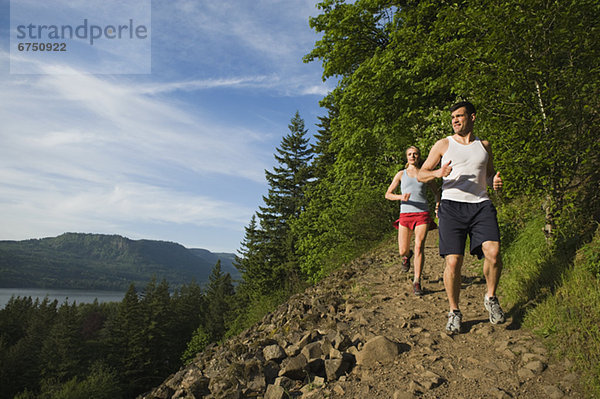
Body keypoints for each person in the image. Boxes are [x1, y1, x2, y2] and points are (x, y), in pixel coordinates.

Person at [418, 100, 505, 335]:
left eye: (460, 116)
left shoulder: (484, 146)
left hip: (480, 206)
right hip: (452, 207)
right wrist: (439, 172)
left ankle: (490, 298)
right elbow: (421, 174)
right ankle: (454, 311)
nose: (455, 120)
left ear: (472, 117)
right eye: (453, 117)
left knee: (494, 254)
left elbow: (487, 176)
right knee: (454, 262)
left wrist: (493, 182)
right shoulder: (444, 144)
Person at [385, 146, 439, 296]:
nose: (412, 156)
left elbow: (436, 191)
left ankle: (417, 281)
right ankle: (406, 256)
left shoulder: (424, 174)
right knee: (403, 249)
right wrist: (400, 197)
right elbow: (388, 194)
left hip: (422, 214)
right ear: (406, 157)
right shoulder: (401, 174)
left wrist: (437, 204)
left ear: (419, 157)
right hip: (405, 215)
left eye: (415, 154)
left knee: (419, 246)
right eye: (410, 154)